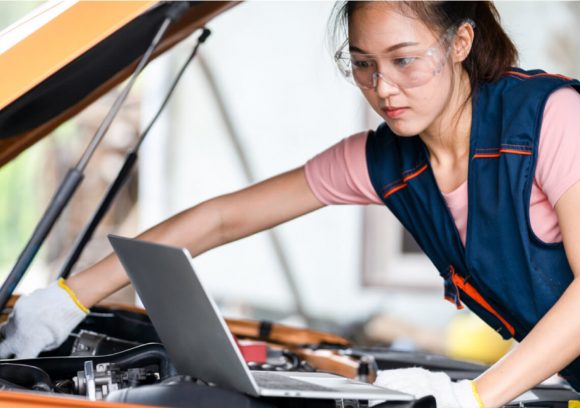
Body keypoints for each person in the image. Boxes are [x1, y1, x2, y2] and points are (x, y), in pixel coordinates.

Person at [1, 2, 579, 407]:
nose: (384, 88)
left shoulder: (550, 120)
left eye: (405, 60)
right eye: (364, 64)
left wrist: (477, 397)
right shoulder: (386, 161)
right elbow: (223, 217)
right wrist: (71, 296)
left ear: (460, 42)